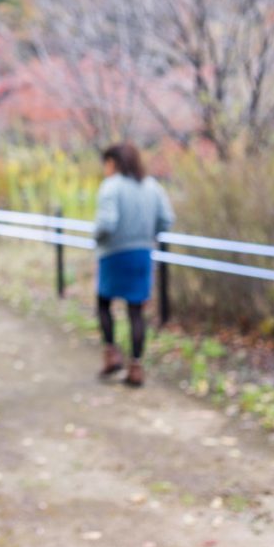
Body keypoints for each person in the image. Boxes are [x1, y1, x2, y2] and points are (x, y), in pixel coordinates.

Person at [94, 143, 174, 387]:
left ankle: (111, 354)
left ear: (114, 162)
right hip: (142, 254)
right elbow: (167, 220)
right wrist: (148, 235)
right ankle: (136, 367)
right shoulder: (152, 186)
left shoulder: (112, 186)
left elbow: (106, 224)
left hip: (114, 254)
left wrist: (97, 238)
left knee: (104, 303)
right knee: (136, 311)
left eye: (107, 163)